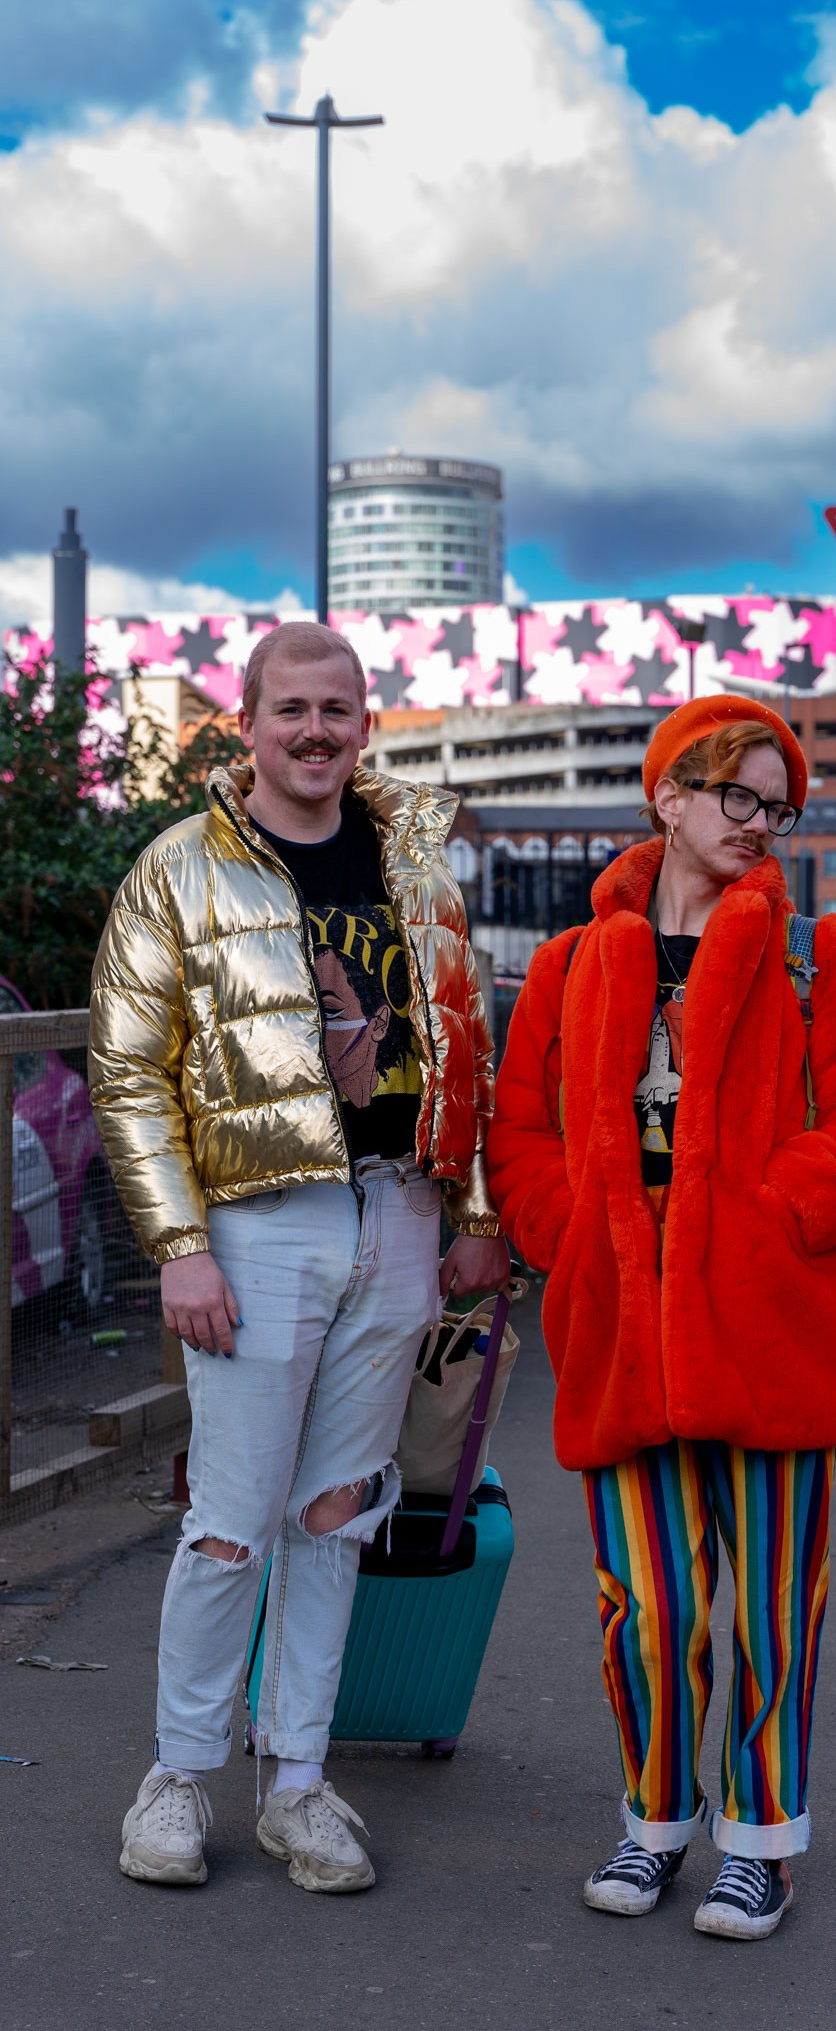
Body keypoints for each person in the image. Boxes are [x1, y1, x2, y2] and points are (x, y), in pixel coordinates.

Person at [488, 694, 836, 1940]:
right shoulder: (570, 965)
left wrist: (770, 1212)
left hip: (767, 1325)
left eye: (777, 807)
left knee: (776, 1609)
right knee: (647, 1605)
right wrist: (569, 1229)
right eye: (736, 793)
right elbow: (518, 1130)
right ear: (668, 795)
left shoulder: (814, 955)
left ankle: (761, 1842)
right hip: (622, 1322)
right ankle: (654, 1822)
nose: (758, 822)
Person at [89, 623, 509, 1893]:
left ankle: (299, 1780)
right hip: (257, 1226)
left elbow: (466, 1045)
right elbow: (128, 1069)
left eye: (338, 708)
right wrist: (177, 1244)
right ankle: (176, 1777)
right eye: (292, 708)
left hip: (399, 1214)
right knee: (231, 1520)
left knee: (337, 1512)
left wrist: (476, 1211)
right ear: (249, 722)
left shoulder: (418, 865)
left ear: (365, 722)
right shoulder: (179, 866)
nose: (316, 730)